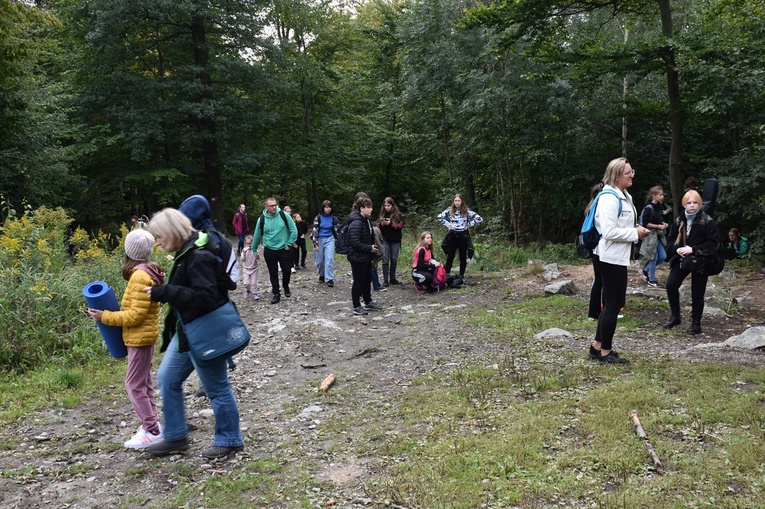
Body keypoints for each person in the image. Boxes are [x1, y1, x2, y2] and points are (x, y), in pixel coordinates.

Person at [145, 208, 244, 459]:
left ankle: (230, 438)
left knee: (217, 387)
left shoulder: (198, 255)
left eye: (159, 236)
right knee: (167, 379)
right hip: (187, 330)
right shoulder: (186, 250)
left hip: (205, 332)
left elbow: (206, 296)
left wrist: (165, 292)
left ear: (172, 232)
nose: (157, 242)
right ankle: (176, 436)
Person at [87, 229, 165, 449]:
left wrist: (105, 317)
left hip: (140, 338)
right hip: (140, 338)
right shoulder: (143, 272)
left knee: (133, 385)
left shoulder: (140, 276)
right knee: (143, 384)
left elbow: (135, 315)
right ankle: (152, 425)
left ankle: (152, 430)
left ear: (129, 250)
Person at [589, 158, 651, 364]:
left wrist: (635, 232)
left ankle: (597, 347)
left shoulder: (624, 195)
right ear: (616, 176)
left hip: (617, 256)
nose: (632, 175)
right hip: (609, 257)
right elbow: (608, 231)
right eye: (628, 172)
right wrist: (635, 232)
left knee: (613, 303)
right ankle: (605, 352)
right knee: (613, 304)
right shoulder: (609, 198)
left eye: (632, 171)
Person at [663, 190, 721, 335]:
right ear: (684, 205)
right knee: (671, 284)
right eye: (689, 203)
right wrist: (677, 250)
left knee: (697, 293)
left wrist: (693, 249)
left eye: (695, 203)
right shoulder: (679, 220)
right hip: (682, 259)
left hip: (702, 261)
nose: (692, 206)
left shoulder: (707, 221)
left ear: (700, 204)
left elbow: (714, 244)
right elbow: (670, 240)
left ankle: (696, 323)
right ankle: (675, 316)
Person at [252, 197, 298, 304]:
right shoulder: (262, 219)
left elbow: (293, 230)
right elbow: (257, 235)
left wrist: (289, 244)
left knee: (287, 270)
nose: (274, 207)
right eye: (271, 205)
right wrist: (254, 249)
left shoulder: (283, 215)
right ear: (266, 207)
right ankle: (276, 293)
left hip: (283, 248)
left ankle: (286, 285)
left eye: (275, 205)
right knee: (273, 273)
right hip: (269, 249)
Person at [437, 194, 483, 282]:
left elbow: (479, 218)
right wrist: (448, 225)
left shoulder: (466, 211)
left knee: (462, 256)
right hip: (452, 235)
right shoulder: (450, 210)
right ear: (453, 202)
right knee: (450, 255)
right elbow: (439, 217)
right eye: (455, 201)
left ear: (461, 201)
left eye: (458, 201)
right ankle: (446, 275)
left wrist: (468, 225)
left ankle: (461, 276)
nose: (457, 203)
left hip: (462, 235)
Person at [347, 196, 381, 315]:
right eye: (368, 207)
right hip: (357, 257)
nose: (371, 209)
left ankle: (368, 302)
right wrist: (369, 248)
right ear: (361, 208)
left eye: (371, 207)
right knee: (358, 282)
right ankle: (356, 306)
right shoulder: (356, 222)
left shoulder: (365, 220)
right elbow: (354, 242)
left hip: (366, 256)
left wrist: (370, 252)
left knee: (367, 280)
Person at [638, 186, 669, 287]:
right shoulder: (648, 207)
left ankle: (645, 270)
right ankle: (652, 280)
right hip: (650, 235)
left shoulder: (658, 206)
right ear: (653, 196)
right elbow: (646, 223)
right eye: (660, 195)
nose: (662, 196)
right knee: (654, 257)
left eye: (662, 194)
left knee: (663, 256)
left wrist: (663, 224)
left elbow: (656, 220)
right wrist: (658, 226)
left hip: (657, 235)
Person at [584, 183, 605, 320]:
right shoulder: (599, 208)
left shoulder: (589, 208)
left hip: (592, 246)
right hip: (599, 247)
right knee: (602, 280)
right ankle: (598, 311)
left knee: (599, 279)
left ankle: (594, 311)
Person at [311, 200, 339, 287]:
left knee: (329, 259)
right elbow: (314, 231)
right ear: (323, 208)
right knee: (319, 261)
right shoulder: (318, 218)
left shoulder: (334, 219)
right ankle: (321, 274)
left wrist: (339, 240)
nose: (328, 209)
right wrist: (315, 244)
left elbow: (336, 231)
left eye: (329, 207)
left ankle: (329, 278)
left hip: (329, 239)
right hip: (319, 239)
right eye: (326, 207)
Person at [378, 197, 404, 286]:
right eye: (385, 206)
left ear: (392, 205)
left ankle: (392, 278)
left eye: (388, 205)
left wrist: (391, 223)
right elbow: (379, 227)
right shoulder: (382, 214)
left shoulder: (398, 215)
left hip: (395, 240)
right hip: (385, 239)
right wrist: (382, 223)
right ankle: (385, 280)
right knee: (385, 260)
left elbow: (400, 226)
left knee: (394, 259)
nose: (387, 207)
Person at [241, 235, 259, 299]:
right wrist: (244, 254)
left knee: (253, 282)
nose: (249, 245)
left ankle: (255, 293)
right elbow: (242, 259)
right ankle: (247, 291)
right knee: (246, 283)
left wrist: (256, 255)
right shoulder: (244, 250)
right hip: (246, 268)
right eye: (247, 243)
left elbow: (258, 258)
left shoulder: (255, 250)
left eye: (250, 243)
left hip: (254, 268)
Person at [371, 223, 387, 292]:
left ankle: (376, 284)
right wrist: (380, 253)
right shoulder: (375, 230)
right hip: (371, 250)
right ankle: (376, 285)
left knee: (372, 268)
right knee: (372, 268)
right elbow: (379, 242)